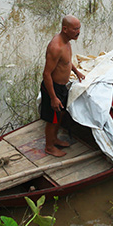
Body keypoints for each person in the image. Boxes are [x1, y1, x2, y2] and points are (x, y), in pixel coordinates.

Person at [40, 15, 85, 157]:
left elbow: (66, 62)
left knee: (60, 115)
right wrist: (53, 97)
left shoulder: (67, 41)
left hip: (62, 87)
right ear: (65, 29)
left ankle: (54, 139)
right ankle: (49, 147)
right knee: (52, 120)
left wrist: (76, 72)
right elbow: (46, 74)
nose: (78, 32)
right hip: (52, 88)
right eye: (75, 29)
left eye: (79, 28)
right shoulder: (56, 47)